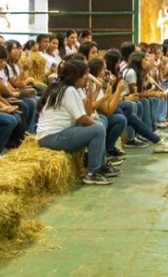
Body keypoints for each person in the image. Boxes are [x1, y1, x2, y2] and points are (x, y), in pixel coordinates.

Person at [36, 56, 117, 186]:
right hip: (52, 138)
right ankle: (92, 172)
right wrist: (98, 126)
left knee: (98, 126)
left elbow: (86, 112)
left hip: (51, 136)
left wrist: (90, 91)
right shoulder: (69, 90)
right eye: (85, 75)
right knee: (98, 128)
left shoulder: (65, 87)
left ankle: (101, 165)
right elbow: (82, 118)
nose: (87, 77)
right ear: (76, 77)